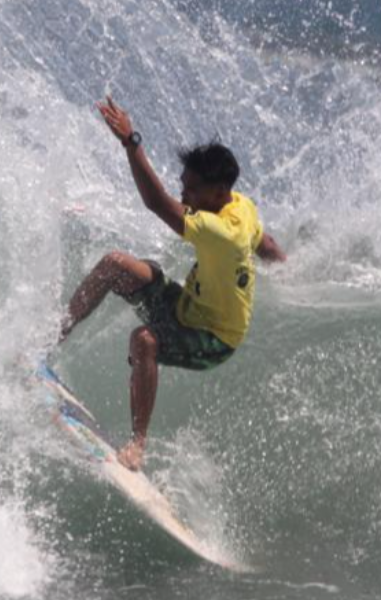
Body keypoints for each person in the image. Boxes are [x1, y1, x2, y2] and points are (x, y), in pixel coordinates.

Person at [59, 96, 286, 471]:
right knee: (115, 264)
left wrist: (131, 142)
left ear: (218, 193)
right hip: (187, 307)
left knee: (144, 340)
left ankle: (137, 444)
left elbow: (156, 202)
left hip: (214, 338)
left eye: (191, 190)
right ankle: (53, 337)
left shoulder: (222, 231)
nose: (184, 195)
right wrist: (289, 269)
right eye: (183, 185)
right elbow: (265, 241)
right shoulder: (240, 205)